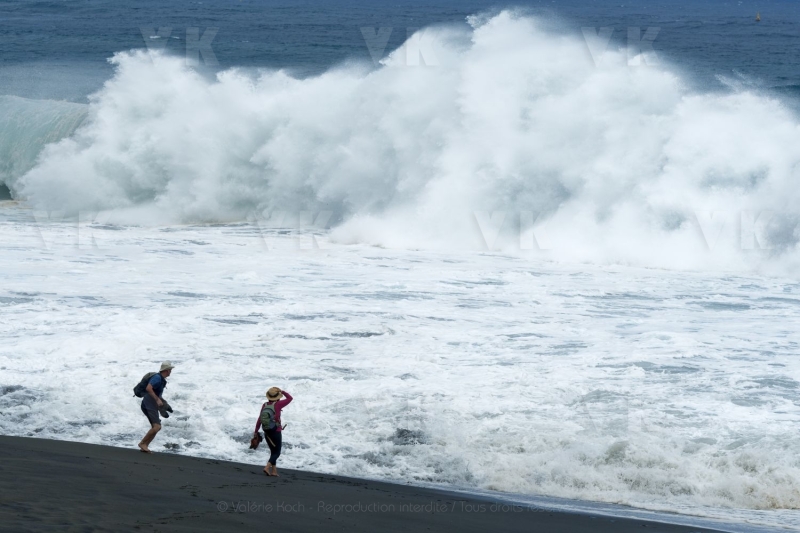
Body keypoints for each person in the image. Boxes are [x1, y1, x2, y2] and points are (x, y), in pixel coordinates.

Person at [254, 387, 293, 476]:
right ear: (278, 397)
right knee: (277, 452)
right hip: (275, 430)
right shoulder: (278, 404)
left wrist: (256, 430)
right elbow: (290, 398)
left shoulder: (265, 405)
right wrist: (282, 391)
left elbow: (260, 419)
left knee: (273, 451)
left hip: (266, 430)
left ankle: (274, 471)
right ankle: (267, 467)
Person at [138, 362, 174, 453]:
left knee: (157, 427)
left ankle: (145, 445)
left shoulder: (161, 379)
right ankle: (142, 443)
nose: (171, 371)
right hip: (148, 403)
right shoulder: (157, 378)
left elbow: (156, 393)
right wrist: (157, 400)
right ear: (166, 370)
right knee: (157, 426)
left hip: (151, 404)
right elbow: (148, 388)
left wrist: (163, 403)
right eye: (170, 370)